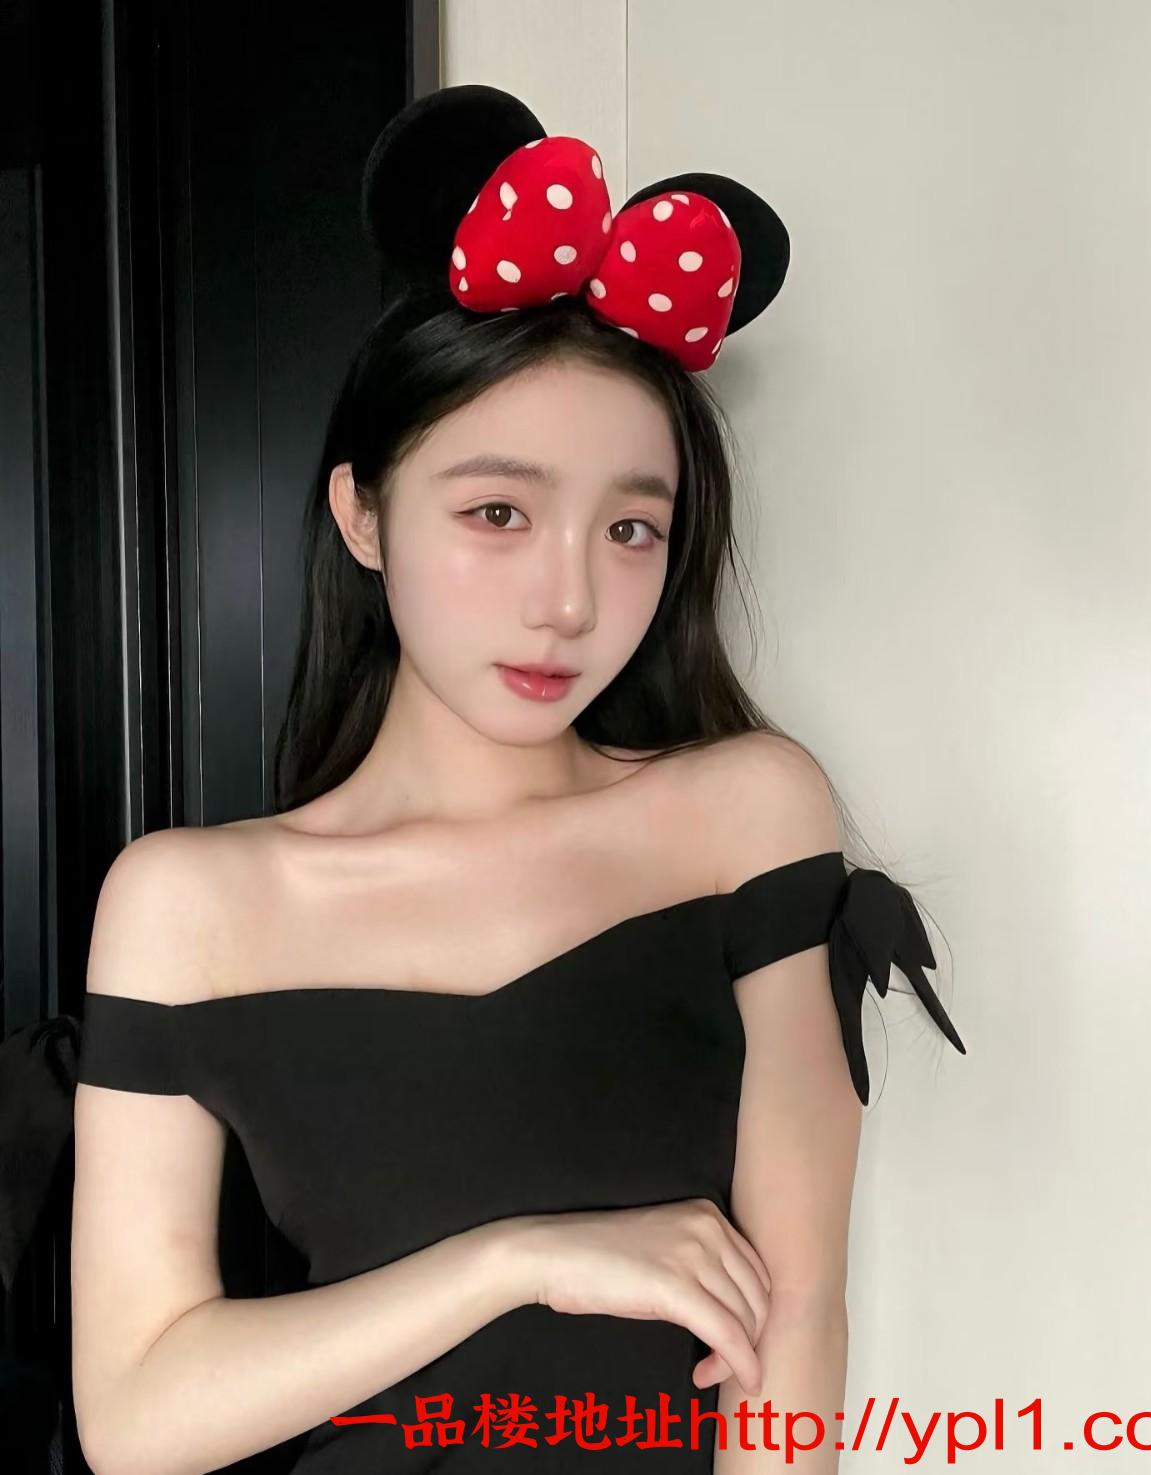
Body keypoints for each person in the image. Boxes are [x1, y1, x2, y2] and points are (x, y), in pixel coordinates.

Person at [69, 85, 964, 1475]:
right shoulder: (188, 904)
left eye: (630, 529)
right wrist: (513, 1261)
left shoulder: (743, 815)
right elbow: (137, 1420)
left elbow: (797, 1325)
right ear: (363, 514)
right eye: (499, 512)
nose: (569, 602)